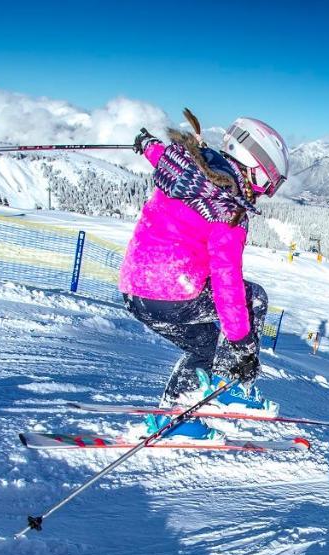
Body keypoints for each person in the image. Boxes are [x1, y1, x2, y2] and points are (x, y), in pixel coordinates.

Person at [119, 110, 289, 438]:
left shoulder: (190, 166)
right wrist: (240, 345)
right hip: (172, 292)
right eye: (270, 183)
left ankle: (173, 419)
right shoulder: (229, 207)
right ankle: (232, 387)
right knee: (253, 299)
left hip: (134, 289)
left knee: (206, 347)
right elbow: (227, 282)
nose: (266, 192)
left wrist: (147, 144)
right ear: (256, 167)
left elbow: (163, 157)